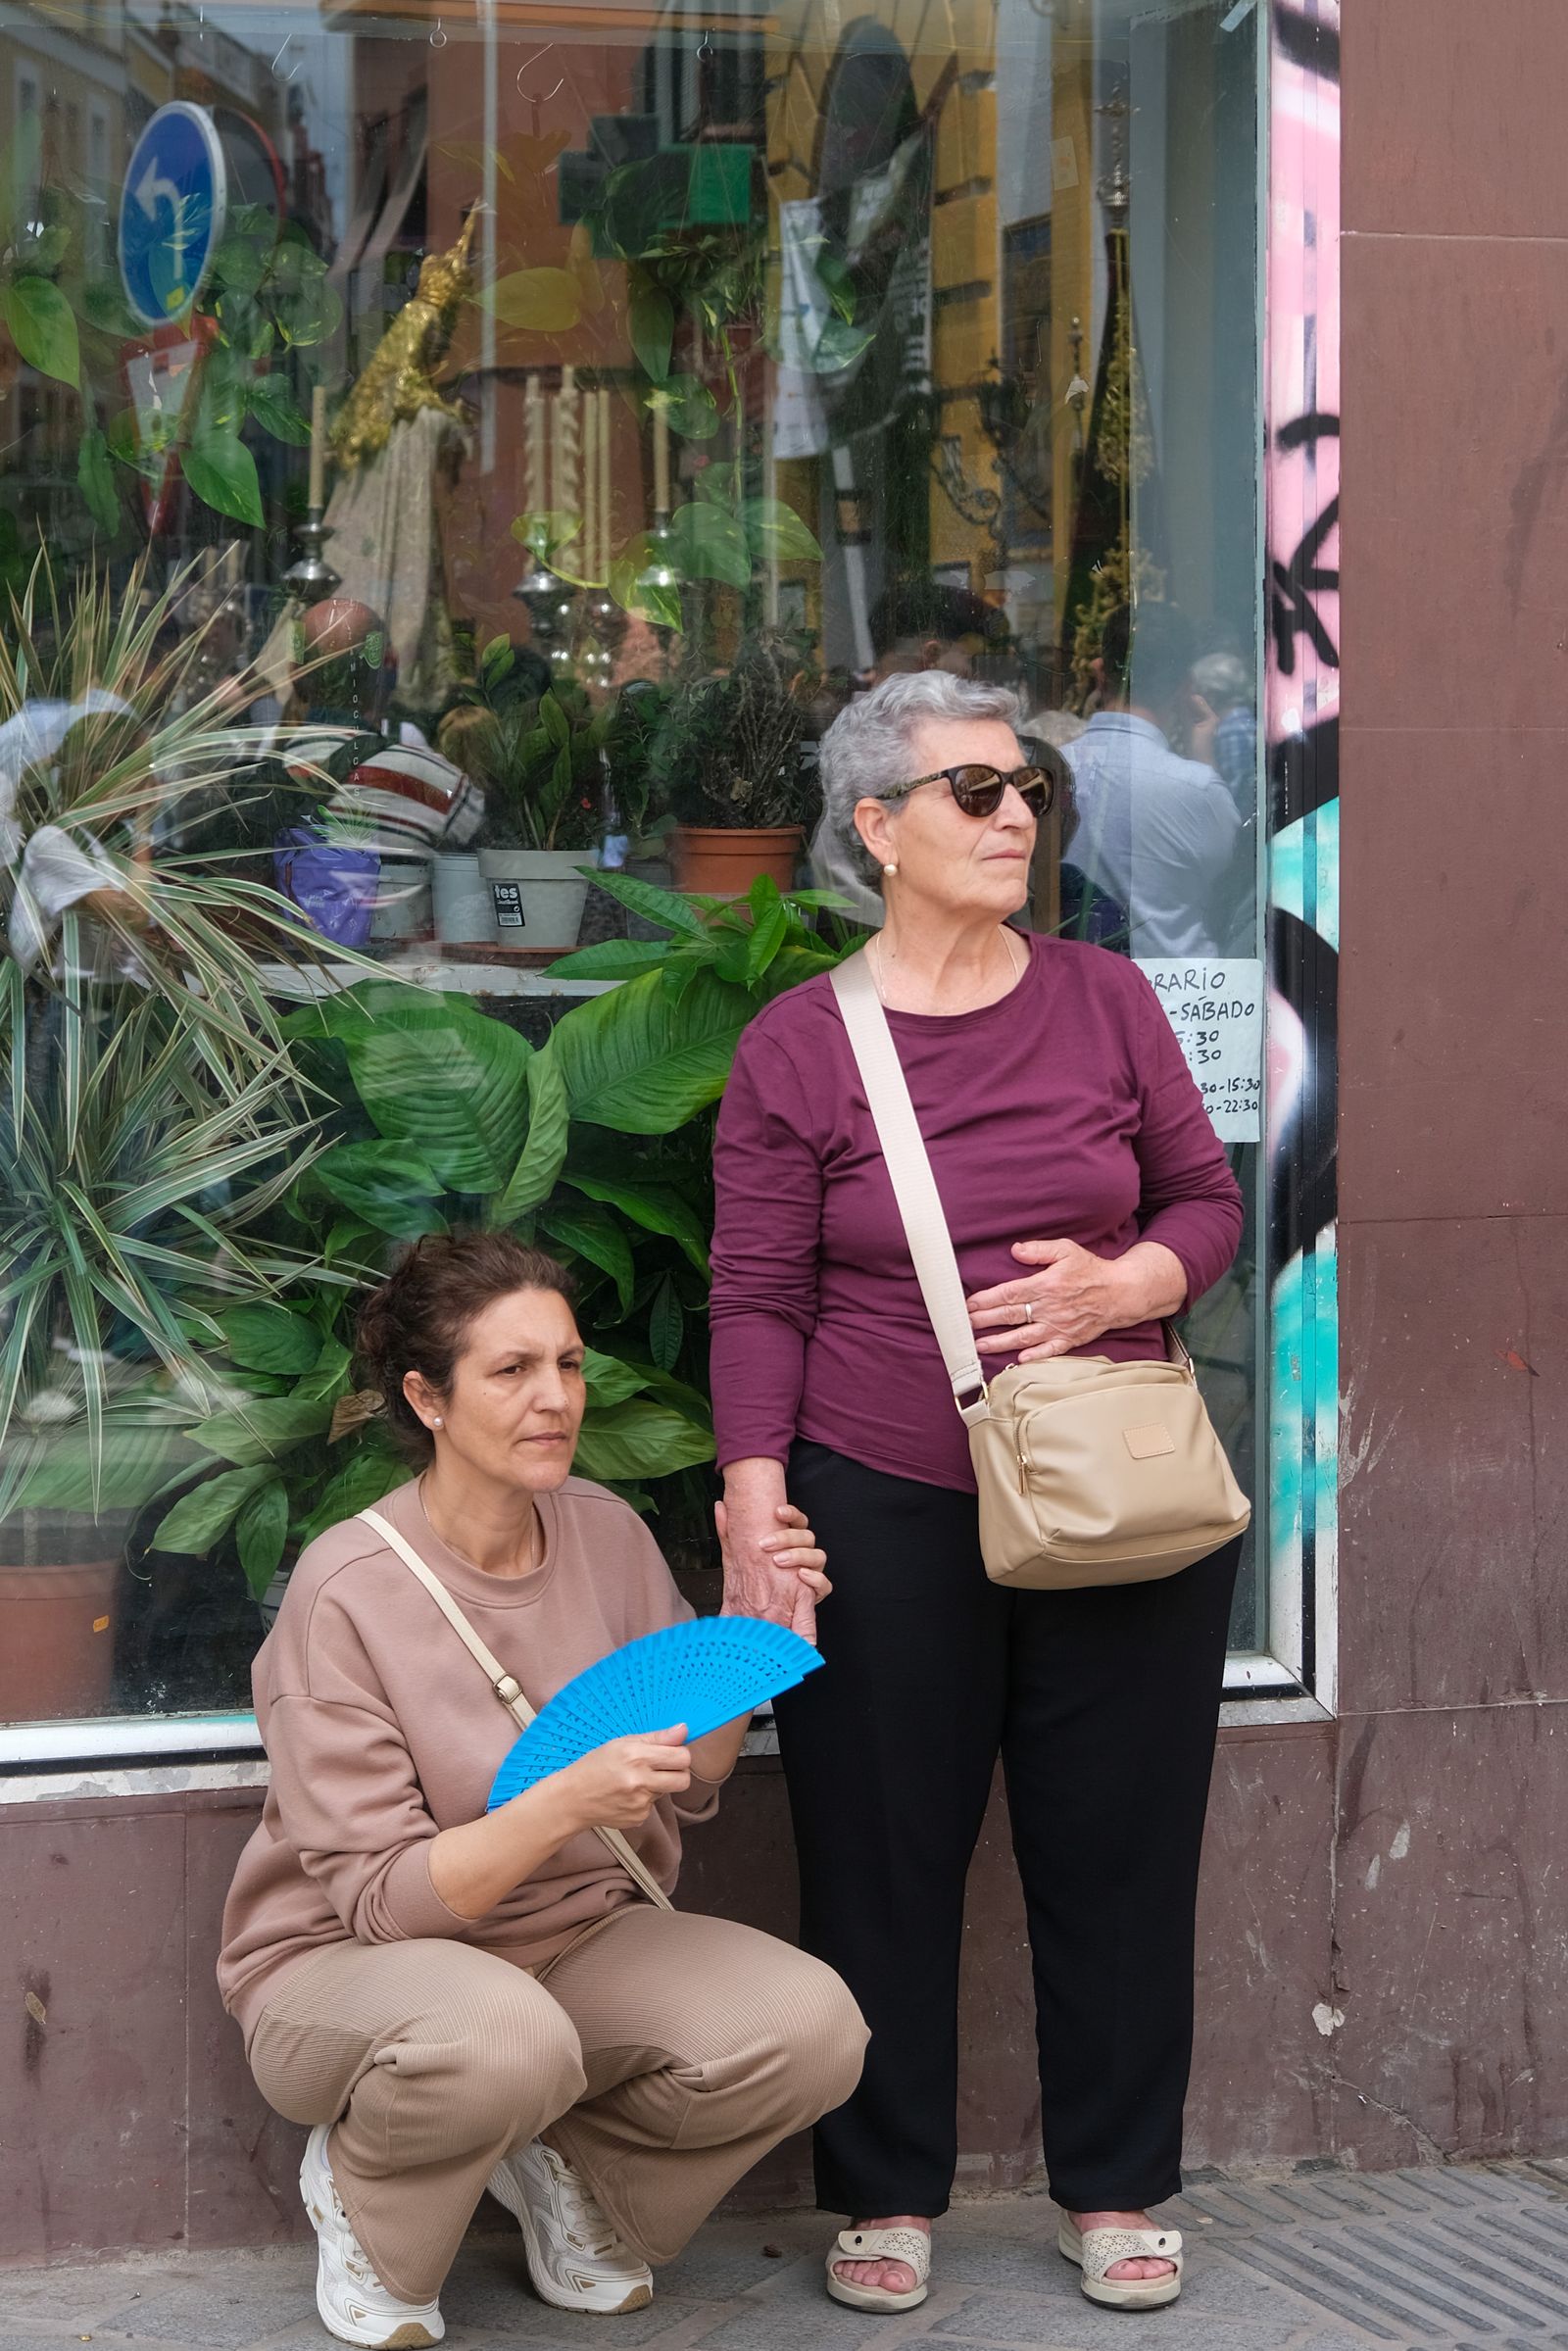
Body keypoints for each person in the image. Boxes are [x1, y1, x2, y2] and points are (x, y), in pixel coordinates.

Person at [709, 670, 1245, 2317]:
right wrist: (753, 1503)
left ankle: (1118, 2178)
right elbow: (757, 1292)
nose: (1016, 813)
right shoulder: (803, 1042)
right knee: (879, 1847)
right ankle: (885, 2188)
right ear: (876, 827)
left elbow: (1206, 1197)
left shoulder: (1102, 999)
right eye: (973, 790)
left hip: (1118, 1490)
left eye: (1027, 787)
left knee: (1122, 1849)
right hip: (885, 1496)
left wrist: (1124, 1278)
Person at [219, 1233, 866, 2351]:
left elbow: (699, 1769)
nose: (554, 1397)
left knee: (815, 2027)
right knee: (501, 2039)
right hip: (347, 1969)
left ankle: (578, 2176)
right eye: (511, 1370)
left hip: (571, 1938)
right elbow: (384, 1902)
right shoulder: (345, 1587)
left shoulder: (605, 1531)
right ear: (426, 1395)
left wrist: (758, 1637)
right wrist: (565, 1801)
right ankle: (369, 2200)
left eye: (567, 1364)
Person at [808, 583, 1004, 923]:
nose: (975, 674)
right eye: (970, 660)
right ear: (931, 655)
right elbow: (853, 900)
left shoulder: (853, 736)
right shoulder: (875, 748)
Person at [1061, 604, 1242, 958]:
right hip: (1182, 997)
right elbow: (1230, 885)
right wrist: (1203, 755)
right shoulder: (1196, 786)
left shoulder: (1050, 770)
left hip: (1075, 989)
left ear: (1099, 672)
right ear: (1186, 688)